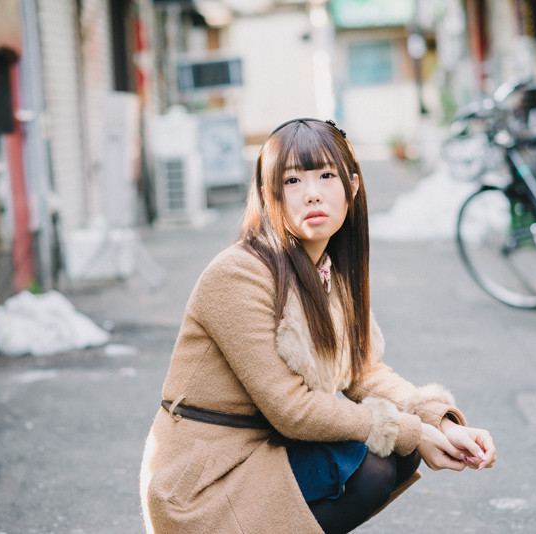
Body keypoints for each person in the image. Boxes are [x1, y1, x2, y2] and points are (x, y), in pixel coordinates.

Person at [139, 118, 496, 534]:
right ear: (269, 194)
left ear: (352, 187)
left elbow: (364, 374)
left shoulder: (326, 271)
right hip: (206, 482)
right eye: (292, 180)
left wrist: (438, 422)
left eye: (326, 175)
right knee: (375, 464)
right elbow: (291, 409)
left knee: (398, 452)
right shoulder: (237, 274)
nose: (312, 193)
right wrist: (408, 431)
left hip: (266, 453)